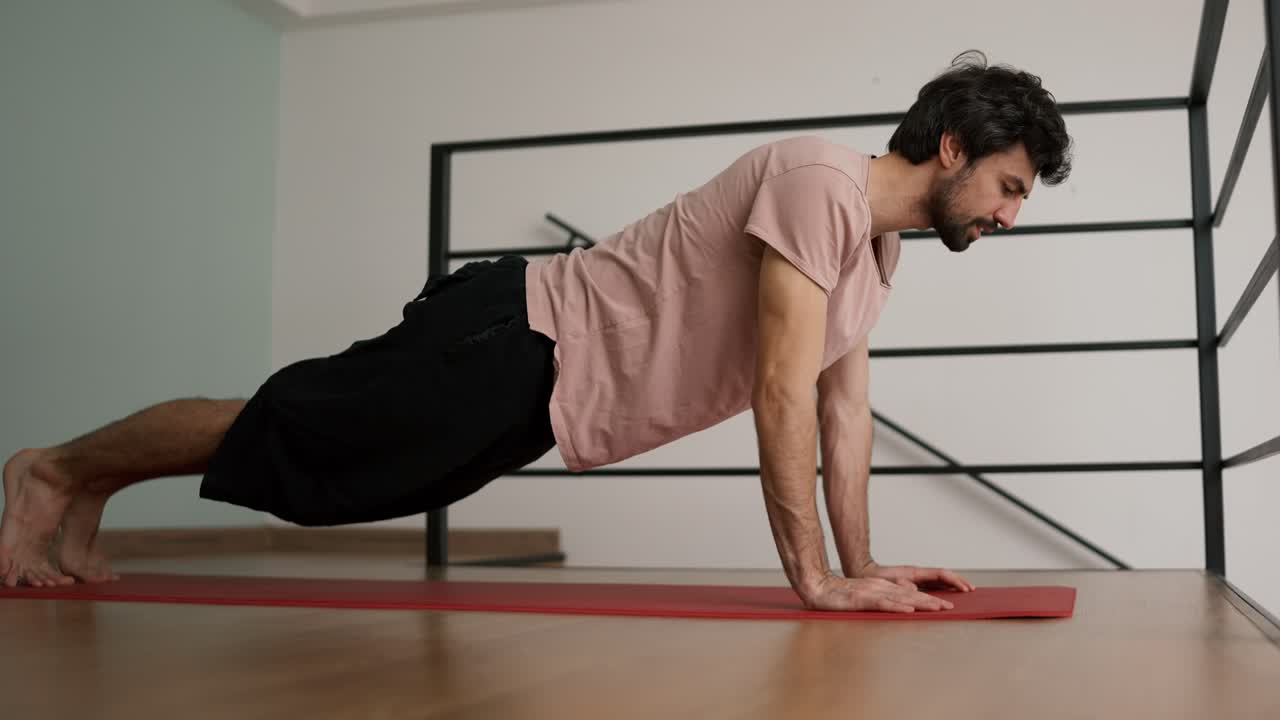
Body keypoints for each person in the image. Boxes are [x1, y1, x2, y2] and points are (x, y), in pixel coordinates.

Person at [0, 50, 1071, 613]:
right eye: (1010, 185)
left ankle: (90, 488)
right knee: (297, 428)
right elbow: (783, 391)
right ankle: (50, 471)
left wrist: (866, 566)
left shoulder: (874, 255)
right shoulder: (817, 184)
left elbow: (844, 415)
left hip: (544, 386)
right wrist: (815, 580)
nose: (1010, 215)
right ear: (950, 146)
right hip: (517, 335)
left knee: (334, 477)